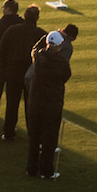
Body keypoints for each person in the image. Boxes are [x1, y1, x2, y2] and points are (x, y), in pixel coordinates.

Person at [0, 4, 42, 139]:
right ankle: (32, 134)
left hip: (13, 72)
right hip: (31, 75)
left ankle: (9, 132)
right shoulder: (41, 34)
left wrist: (5, 67)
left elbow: (2, 49)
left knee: (12, 104)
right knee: (31, 106)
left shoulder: (13, 30)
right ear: (37, 18)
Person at [25, 31, 71, 179]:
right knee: (49, 138)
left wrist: (43, 39)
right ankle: (46, 171)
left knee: (34, 137)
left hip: (36, 102)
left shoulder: (38, 56)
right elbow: (66, 76)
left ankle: (31, 169)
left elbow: (34, 48)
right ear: (60, 45)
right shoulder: (61, 62)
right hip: (52, 103)